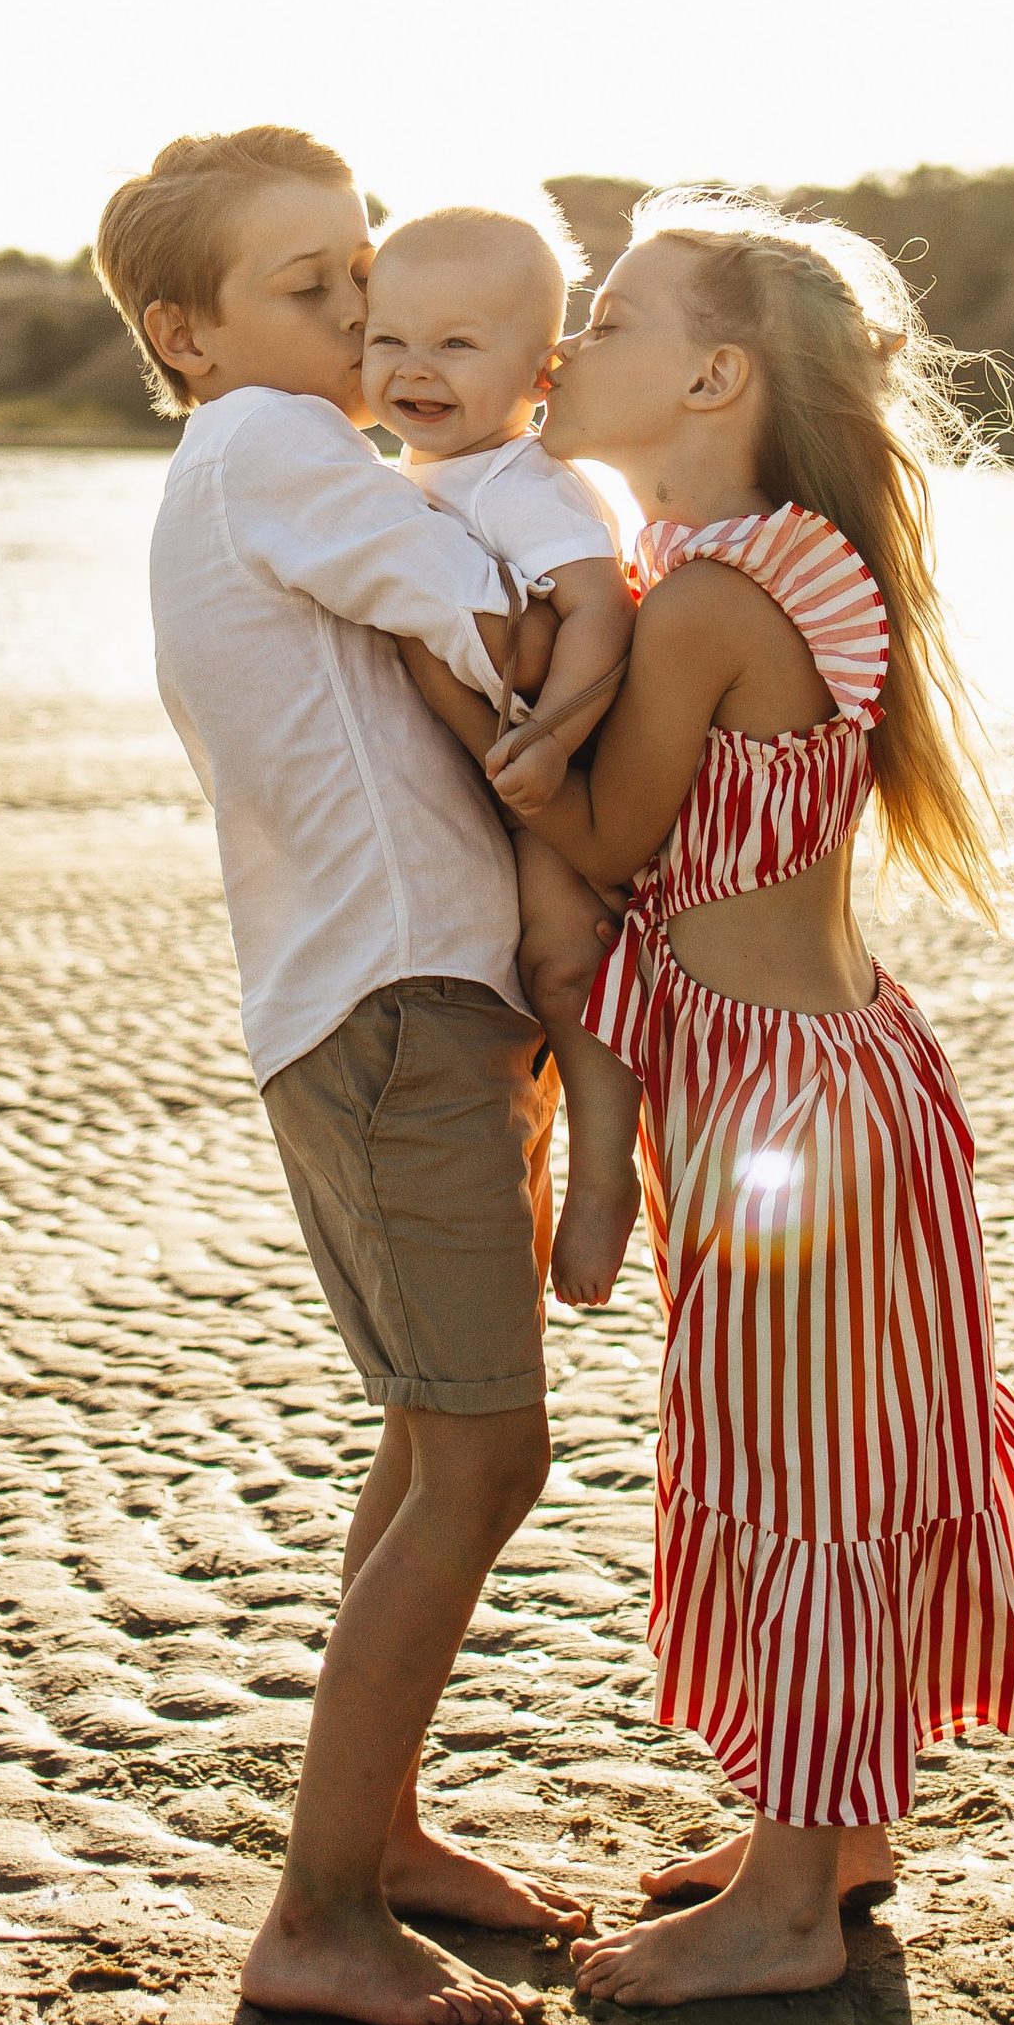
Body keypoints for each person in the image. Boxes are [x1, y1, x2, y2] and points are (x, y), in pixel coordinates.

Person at [403, 192, 1014, 2007]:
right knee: (848, 1448)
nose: (567, 346)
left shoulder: (707, 596)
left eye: (611, 319)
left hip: (781, 1109)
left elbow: (611, 842)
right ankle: (836, 1837)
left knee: (800, 1474)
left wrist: (440, 682)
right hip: (845, 1080)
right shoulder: (769, 558)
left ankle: (785, 1908)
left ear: (714, 378)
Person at [92, 123, 588, 2025]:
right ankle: (316, 1915)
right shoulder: (272, 445)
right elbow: (475, 610)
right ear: (190, 336)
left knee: (424, 1428)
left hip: (386, 1001)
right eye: (313, 291)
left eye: (365, 279)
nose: (364, 323)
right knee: (486, 1451)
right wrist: (592, 619)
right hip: (394, 1008)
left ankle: (376, 1838)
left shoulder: (250, 462)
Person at [362, 205, 646, 1308]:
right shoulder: (405, 479)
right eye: (389, 339)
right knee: (518, 990)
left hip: (572, 754)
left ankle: (604, 1175)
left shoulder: (519, 482)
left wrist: (555, 735)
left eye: (456, 344)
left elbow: (601, 608)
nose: (414, 367)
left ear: (538, 375)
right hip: (492, 764)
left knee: (563, 965)